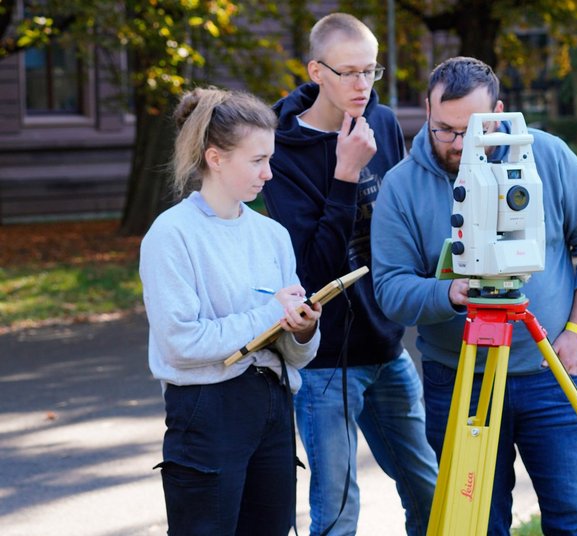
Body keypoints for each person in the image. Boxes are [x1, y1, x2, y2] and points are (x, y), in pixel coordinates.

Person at [371, 57, 577, 534]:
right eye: (445, 130)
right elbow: (391, 290)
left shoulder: (547, 156)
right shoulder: (402, 187)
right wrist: (453, 292)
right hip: (461, 382)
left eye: (472, 130)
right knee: (474, 527)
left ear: (500, 112)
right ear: (427, 109)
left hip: (553, 371)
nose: (459, 144)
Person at [262, 12, 437, 536]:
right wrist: (344, 174)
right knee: (337, 515)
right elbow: (312, 268)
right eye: (349, 73)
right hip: (325, 365)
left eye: (371, 71)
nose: (362, 85)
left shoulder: (379, 122)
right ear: (317, 71)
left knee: (430, 490)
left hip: (386, 346)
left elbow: (402, 225)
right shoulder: (280, 150)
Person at [139, 87, 322, 535]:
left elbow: (296, 352)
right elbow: (181, 342)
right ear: (215, 158)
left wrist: (301, 330)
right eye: (257, 160)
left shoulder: (272, 234)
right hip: (207, 411)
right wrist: (270, 313)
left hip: (274, 406)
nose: (269, 174)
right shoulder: (171, 235)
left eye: (270, 159)